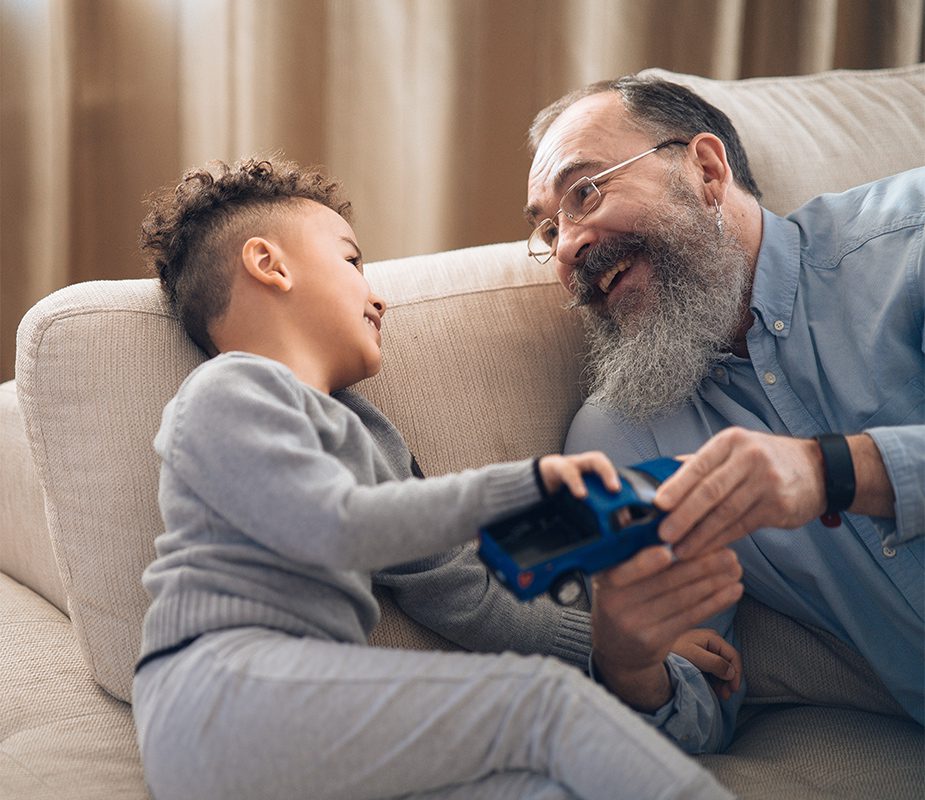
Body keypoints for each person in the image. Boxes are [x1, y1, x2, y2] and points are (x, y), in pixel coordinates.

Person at [131, 157, 744, 800]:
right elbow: (336, 527)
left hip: (305, 724)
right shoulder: (231, 389)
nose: (378, 294)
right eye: (352, 262)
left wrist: (614, 640)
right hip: (218, 696)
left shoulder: (366, 435)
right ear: (270, 265)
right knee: (542, 705)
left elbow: (461, 587)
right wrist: (528, 484)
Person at [523, 75, 924, 748]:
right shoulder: (621, 433)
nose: (566, 248)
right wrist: (628, 667)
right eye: (546, 228)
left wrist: (835, 470)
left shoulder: (908, 243)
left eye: (585, 192)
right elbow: (700, 704)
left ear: (705, 168)